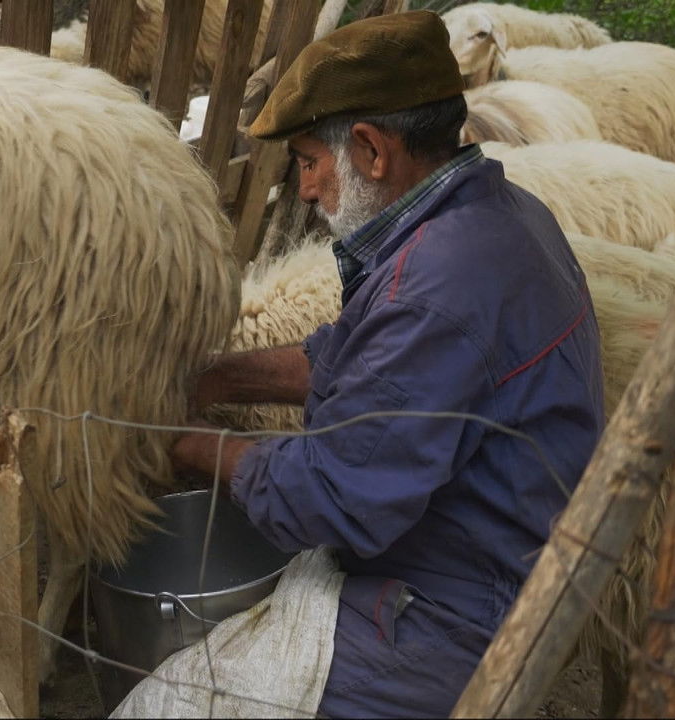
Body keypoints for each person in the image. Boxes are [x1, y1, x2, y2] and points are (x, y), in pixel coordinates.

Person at [169, 11, 605, 717]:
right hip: (507, 559)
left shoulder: (437, 286)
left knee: (173, 705)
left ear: (371, 150)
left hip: (455, 616)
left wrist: (184, 444)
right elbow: (353, 356)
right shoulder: (500, 216)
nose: (306, 190)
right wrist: (219, 377)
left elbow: (327, 499)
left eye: (309, 162)